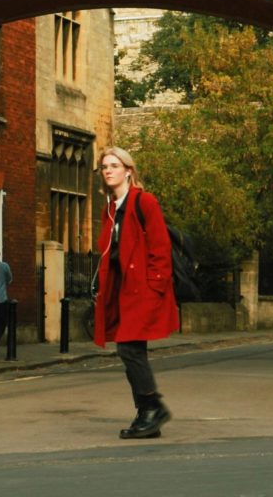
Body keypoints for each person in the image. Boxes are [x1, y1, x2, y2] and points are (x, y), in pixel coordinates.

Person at [94, 145, 180, 439]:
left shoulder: (145, 202)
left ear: (128, 171)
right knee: (132, 350)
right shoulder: (110, 208)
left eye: (114, 165)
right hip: (121, 292)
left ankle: (151, 408)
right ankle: (148, 412)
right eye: (104, 166)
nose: (108, 170)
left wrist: (155, 285)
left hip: (142, 290)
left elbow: (160, 247)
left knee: (128, 349)